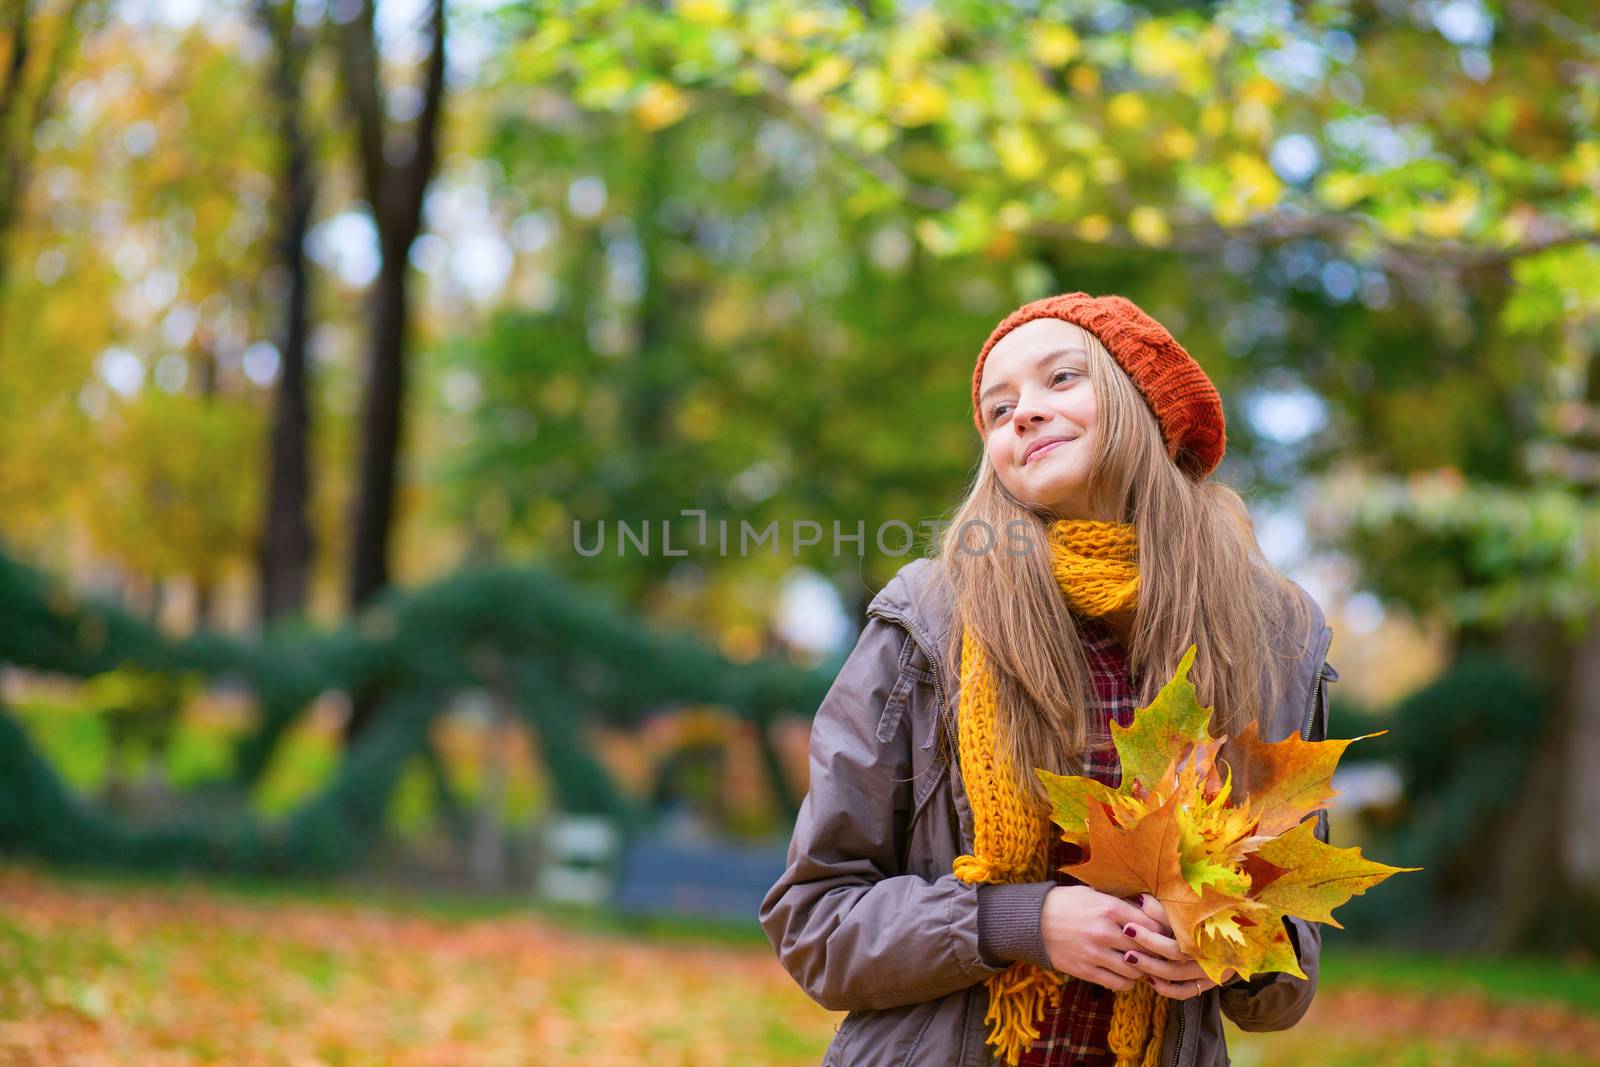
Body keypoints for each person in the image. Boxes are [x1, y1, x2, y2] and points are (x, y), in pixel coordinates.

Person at [759, 292, 1340, 1067]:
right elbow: (815, 918)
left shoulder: (1272, 634)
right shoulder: (931, 620)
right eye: (999, 411)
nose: (1022, 415)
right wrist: (1017, 921)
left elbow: (1287, 964)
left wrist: (1225, 947)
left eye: (1061, 379)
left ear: (1145, 403)